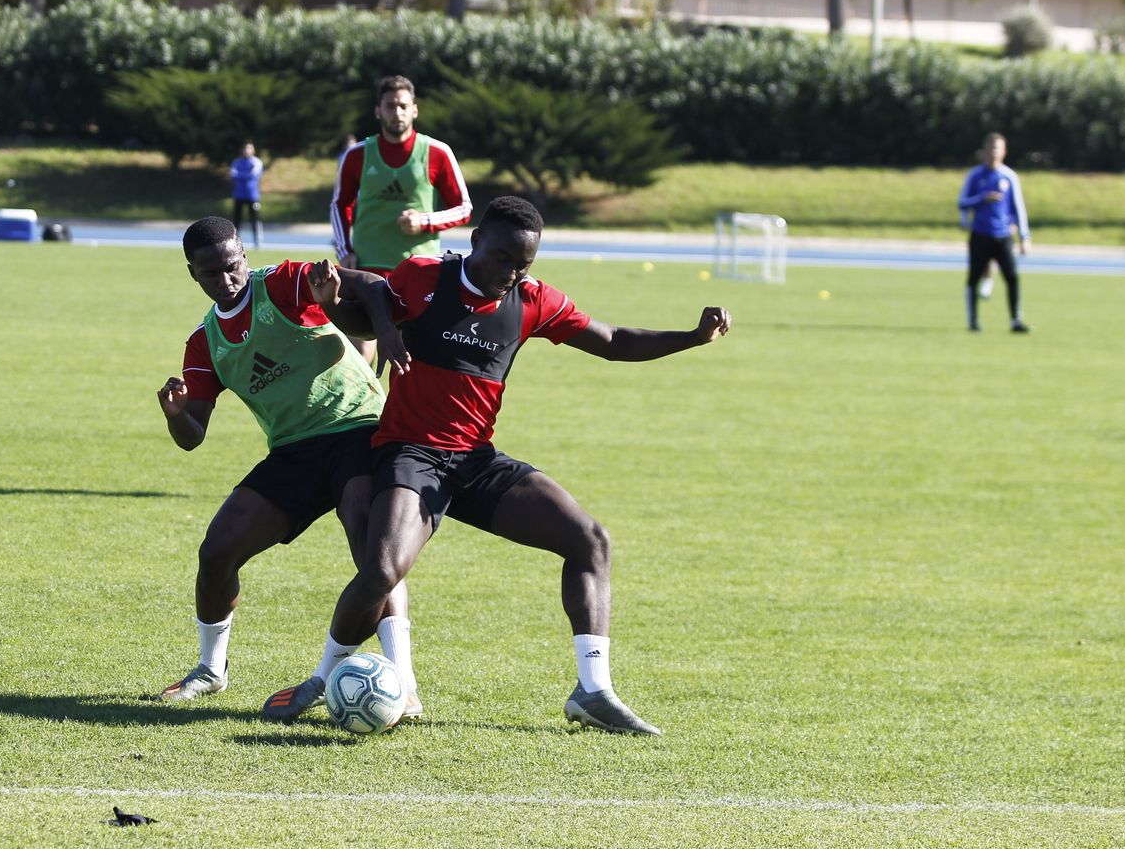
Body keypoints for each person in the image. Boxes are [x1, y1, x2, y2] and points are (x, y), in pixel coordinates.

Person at [264, 196, 732, 735]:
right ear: (475, 239)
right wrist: (370, 322)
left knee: (589, 539)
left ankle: (594, 691)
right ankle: (323, 679)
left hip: (475, 461)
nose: (513, 273)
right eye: (505, 258)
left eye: (525, 264)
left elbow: (612, 341)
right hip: (411, 454)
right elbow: (361, 302)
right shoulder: (423, 277)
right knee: (382, 571)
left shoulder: (533, 300)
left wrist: (692, 338)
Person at [156, 216, 422, 720]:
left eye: (232, 266)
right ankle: (212, 670)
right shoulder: (205, 343)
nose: (226, 279)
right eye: (211, 273)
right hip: (295, 452)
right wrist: (175, 415)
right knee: (217, 551)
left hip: (358, 429)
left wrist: (384, 330)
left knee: (374, 554)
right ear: (193, 274)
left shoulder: (279, 283)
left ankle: (404, 683)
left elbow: (370, 284)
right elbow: (193, 436)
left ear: (243, 256)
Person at [331, 75, 473, 361]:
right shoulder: (357, 154)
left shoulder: (437, 152)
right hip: (367, 267)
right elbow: (339, 205)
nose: (397, 112)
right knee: (359, 349)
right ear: (378, 110)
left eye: (403, 106)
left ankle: (405, 405)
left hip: (419, 269)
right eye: (390, 105)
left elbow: (464, 208)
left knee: (413, 354)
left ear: (414, 110)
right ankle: (363, 404)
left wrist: (425, 221)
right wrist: (345, 250)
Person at [957, 132, 1031, 333]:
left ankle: (1015, 320)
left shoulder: (1009, 176)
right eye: (990, 148)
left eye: (997, 148)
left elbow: (1018, 207)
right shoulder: (974, 175)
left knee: (1012, 277)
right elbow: (962, 202)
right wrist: (981, 200)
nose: (993, 153)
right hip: (980, 234)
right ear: (983, 152)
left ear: (1004, 152)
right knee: (973, 278)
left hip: (1003, 236)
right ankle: (973, 322)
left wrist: (1024, 237)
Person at [229, 143, 264, 249]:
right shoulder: (237, 162)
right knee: (236, 220)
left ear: (253, 150)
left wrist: (241, 175)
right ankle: (235, 242)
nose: (246, 151)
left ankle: (257, 241)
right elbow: (233, 174)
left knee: (254, 219)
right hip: (238, 195)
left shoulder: (256, 162)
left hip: (252, 195)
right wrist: (244, 175)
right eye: (245, 148)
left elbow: (253, 175)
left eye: (249, 148)